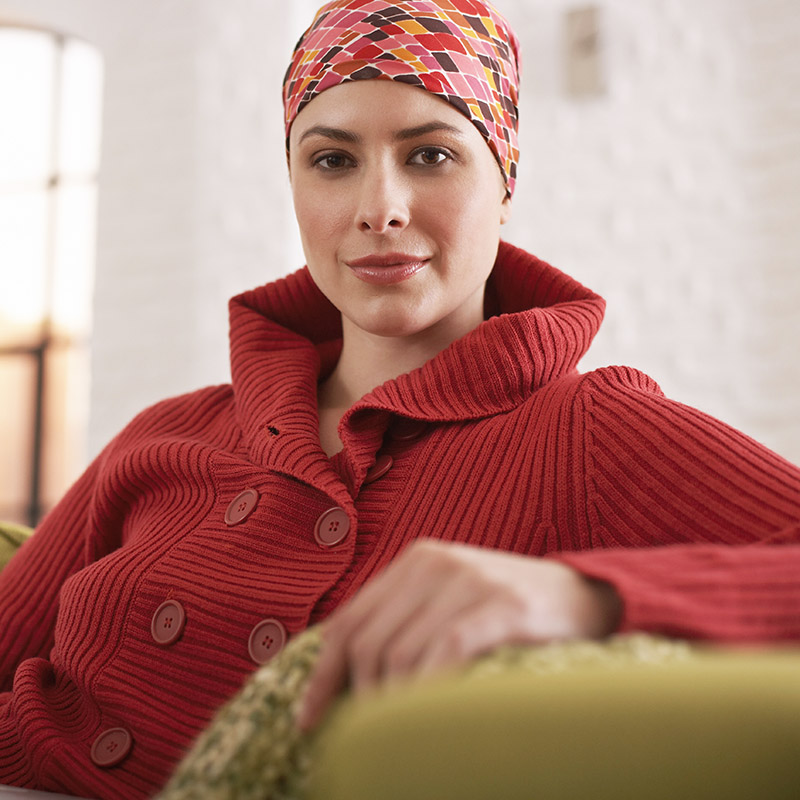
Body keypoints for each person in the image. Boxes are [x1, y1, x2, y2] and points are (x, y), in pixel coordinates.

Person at [1, 0, 799, 797]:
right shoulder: (169, 429)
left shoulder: (589, 432)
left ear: (505, 181)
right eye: (332, 161)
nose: (378, 208)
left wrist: (584, 596)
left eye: (430, 155)